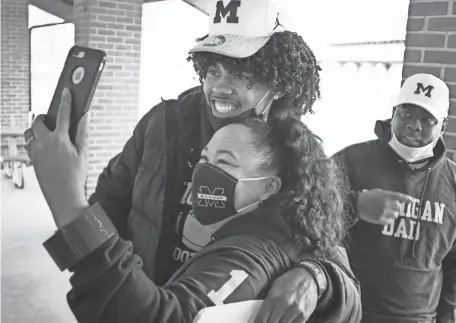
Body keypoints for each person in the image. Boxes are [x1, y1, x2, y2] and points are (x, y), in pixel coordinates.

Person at [25, 0, 361, 321]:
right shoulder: (162, 125)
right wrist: (109, 280)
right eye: (213, 71)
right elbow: (109, 202)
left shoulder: (289, 151)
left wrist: (317, 277)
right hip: (136, 297)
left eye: (243, 75)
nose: (220, 88)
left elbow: (327, 250)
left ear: (276, 82)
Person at [334, 73, 456, 323]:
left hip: (418, 318)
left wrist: (446, 317)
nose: (414, 125)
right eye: (406, 113)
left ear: (443, 125)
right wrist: (355, 205)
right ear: (393, 112)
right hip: (347, 310)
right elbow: (305, 220)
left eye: (427, 119)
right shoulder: (350, 160)